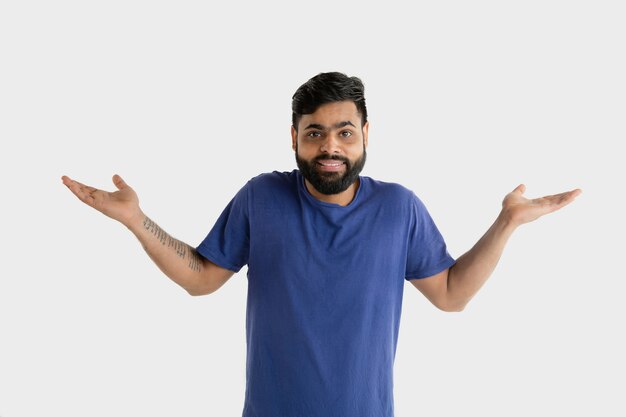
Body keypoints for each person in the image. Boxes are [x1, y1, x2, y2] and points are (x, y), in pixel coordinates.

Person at [62, 72, 581, 417]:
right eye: (314, 133)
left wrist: (506, 223)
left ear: (365, 135)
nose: (330, 146)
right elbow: (201, 278)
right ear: (293, 138)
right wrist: (135, 219)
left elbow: (449, 294)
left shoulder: (399, 207)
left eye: (343, 132)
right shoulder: (261, 197)